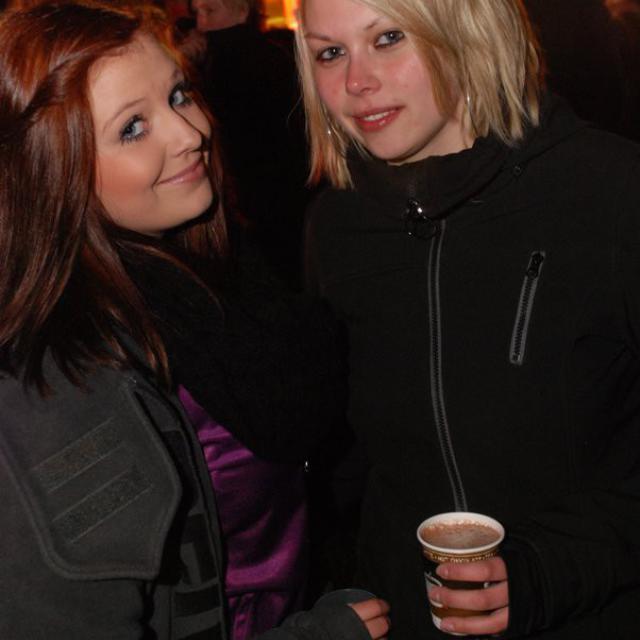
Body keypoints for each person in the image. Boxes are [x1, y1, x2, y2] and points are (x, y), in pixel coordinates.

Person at [0, 2, 391, 639]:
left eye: (178, 95)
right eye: (132, 127)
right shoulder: (61, 381)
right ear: (53, 170)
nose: (190, 133)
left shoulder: (203, 268)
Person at [294, 0, 640, 638]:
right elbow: (353, 458)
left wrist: (546, 572)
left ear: (467, 30)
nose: (356, 81)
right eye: (330, 52)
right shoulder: (335, 228)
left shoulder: (610, 190)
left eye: (388, 38)